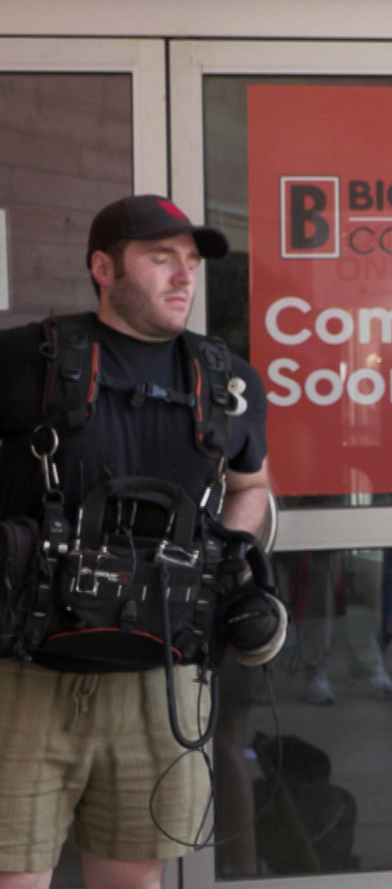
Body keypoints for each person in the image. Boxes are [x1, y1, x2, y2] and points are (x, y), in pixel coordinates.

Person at [0, 196, 274, 889]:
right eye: (161, 259)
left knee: (133, 879)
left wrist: (236, 561)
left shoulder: (230, 381)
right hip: (22, 678)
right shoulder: (18, 360)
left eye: (190, 262)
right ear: (103, 267)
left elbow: (252, 487)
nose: (183, 277)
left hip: (164, 681)